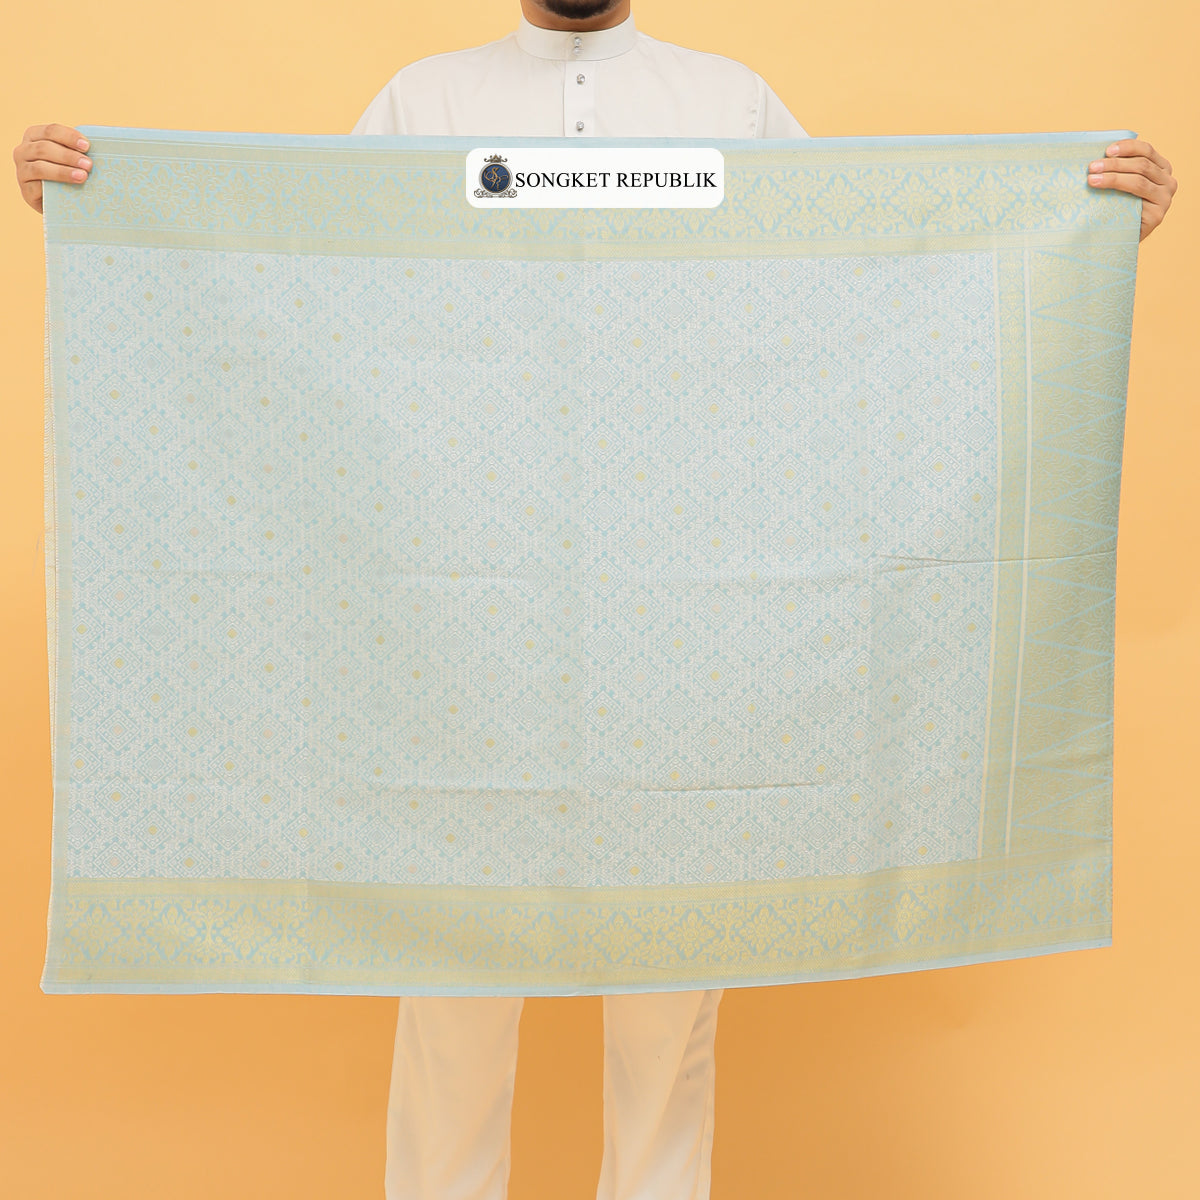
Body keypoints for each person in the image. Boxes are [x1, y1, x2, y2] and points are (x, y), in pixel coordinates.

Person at [10, 3, 1179, 1199]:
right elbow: (299, 288)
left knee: (668, 1019)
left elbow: (862, 294)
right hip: (460, 644)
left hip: (684, 633)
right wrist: (110, 212)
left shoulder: (730, 107)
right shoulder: (424, 104)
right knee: (451, 1005)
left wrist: (1081, 229)